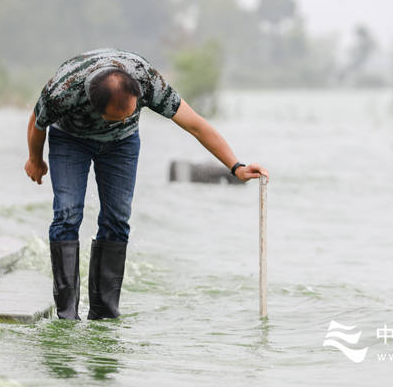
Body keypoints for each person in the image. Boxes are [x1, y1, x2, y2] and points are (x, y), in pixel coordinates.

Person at [24, 48, 269, 320]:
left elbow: (196, 125)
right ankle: (67, 314)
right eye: (118, 117)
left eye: (131, 112)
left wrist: (236, 167)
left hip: (122, 144)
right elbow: (37, 121)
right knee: (68, 214)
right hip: (71, 139)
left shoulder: (147, 80)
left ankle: (104, 312)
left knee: (117, 218)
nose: (127, 117)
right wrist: (35, 159)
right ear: (93, 106)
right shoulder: (64, 89)